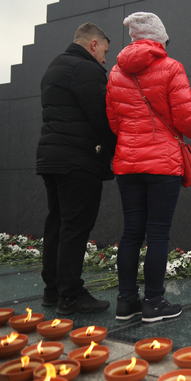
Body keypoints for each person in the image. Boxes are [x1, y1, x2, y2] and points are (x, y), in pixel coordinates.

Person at [106, 12, 191, 322]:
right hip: (162, 164)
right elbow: (187, 120)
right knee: (158, 235)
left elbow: (114, 123)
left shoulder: (115, 73)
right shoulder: (171, 67)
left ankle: (126, 303)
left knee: (130, 234)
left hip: (126, 163)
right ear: (160, 39)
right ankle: (153, 302)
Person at [37, 22, 116, 314]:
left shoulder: (53, 68)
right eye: (105, 51)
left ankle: (52, 290)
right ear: (93, 44)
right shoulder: (85, 69)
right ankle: (70, 294)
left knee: (57, 223)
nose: (106, 60)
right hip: (79, 160)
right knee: (75, 226)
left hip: (51, 158)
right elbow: (102, 116)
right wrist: (117, 148)